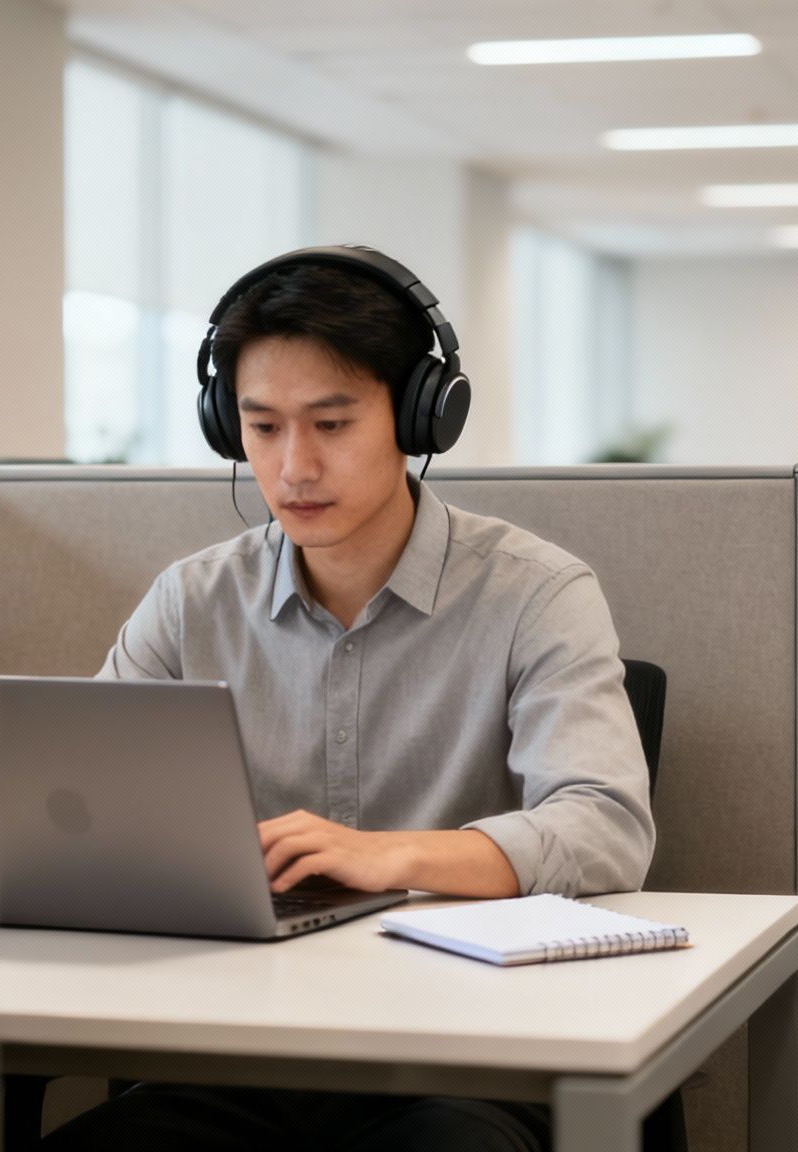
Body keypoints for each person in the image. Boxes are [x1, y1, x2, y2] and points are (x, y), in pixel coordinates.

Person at [44, 247, 655, 1151]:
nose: (293, 468)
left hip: (468, 1054)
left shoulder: (535, 593)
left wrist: (385, 857)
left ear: (421, 415)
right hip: (235, 1050)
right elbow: (78, 801)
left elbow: (606, 826)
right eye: (261, 427)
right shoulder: (193, 599)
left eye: (331, 423)